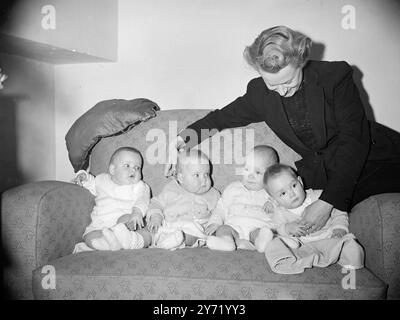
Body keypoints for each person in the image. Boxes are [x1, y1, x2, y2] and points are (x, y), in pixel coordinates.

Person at [169, 25, 400, 236]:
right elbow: (221, 118)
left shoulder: (335, 77)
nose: (280, 91)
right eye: (272, 84)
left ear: (300, 60)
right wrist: (182, 141)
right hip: (325, 172)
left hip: (376, 161)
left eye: (288, 81)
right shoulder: (259, 94)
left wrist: (328, 202)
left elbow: (354, 141)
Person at [72, 147, 152, 251]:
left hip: (126, 225)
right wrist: (83, 177)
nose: (133, 170)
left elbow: (143, 199)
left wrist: (137, 212)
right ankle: (108, 244)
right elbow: (91, 183)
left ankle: (129, 241)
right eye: (127, 165)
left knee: (143, 232)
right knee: (89, 237)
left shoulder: (139, 186)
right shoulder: (101, 180)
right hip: (101, 226)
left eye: (137, 167)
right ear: (113, 170)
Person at [205, 145, 278, 252]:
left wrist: (274, 204)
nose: (250, 176)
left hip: (257, 227)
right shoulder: (233, 188)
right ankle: (226, 242)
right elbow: (221, 208)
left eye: (257, 172)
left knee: (264, 232)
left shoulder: (273, 193)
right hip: (234, 227)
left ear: (271, 174)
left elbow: (283, 211)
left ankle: (261, 243)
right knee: (223, 229)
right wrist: (215, 223)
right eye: (247, 169)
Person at [264, 164, 357, 246]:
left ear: (300, 182)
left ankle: (350, 264)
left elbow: (339, 210)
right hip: (305, 246)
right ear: (274, 198)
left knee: (349, 243)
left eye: (293, 186)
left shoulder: (319, 197)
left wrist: (339, 228)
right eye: (283, 193)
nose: (292, 194)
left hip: (330, 236)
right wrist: (287, 228)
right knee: (280, 247)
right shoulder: (280, 212)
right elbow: (276, 229)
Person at [146, 149, 220, 250]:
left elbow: (221, 211)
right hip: (167, 225)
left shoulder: (213, 194)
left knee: (193, 234)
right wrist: (155, 216)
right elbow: (156, 202)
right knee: (148, 232)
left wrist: (215, 224)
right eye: (197, 175)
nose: (204, 179)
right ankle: (135, 239)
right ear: (181, 178)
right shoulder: (171, 188)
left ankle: (174, 241)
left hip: (193, 229)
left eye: (206, 174)